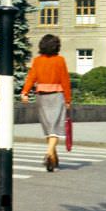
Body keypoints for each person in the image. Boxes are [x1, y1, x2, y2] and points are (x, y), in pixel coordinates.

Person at [20, 34, 72, 173]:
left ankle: (53, 158)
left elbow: (31, 77)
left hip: (42, 96)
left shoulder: (37, 60)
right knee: (56, 127)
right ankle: (49, 153)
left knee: (49, 127)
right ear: (57, 46)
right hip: (57, 95)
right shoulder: (60, 60)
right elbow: (65, 80)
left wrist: (25, 92)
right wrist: (68, 100)